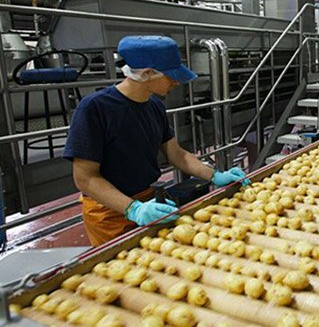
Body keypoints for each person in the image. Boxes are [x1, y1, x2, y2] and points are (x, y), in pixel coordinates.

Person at [64, 35, 249, 246]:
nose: (176, 82)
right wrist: (133, 209)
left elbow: (176, 154)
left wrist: (215, 175)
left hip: (149, 201)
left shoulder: (153, 106)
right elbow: (85, 179)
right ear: (147, 74)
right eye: (171, 76)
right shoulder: (95, 108)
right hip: (110, 210)